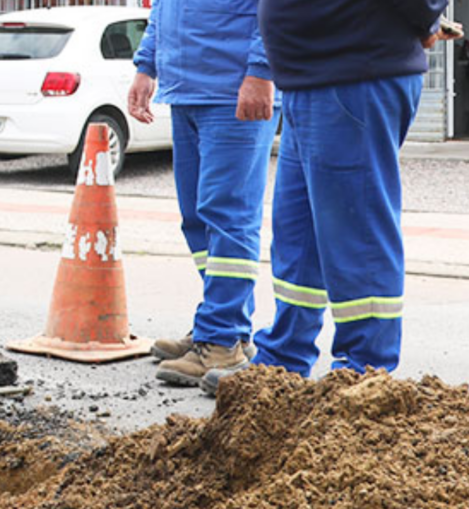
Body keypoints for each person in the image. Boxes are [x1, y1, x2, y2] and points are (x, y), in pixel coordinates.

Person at [200, 0, 455, 395]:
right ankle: (284, 358)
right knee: (298, 236)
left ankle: (366, 373)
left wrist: (426, 17)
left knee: (358, 233)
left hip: (354, 73)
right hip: (312, 78)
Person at [128, 0, 279, 388]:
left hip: (233, 89)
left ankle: (219, 339)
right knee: (197, 217)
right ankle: (224, 324)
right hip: (188, 89)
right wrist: (146, 66)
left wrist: (262, 70)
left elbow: (278, 6)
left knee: (228, 218)